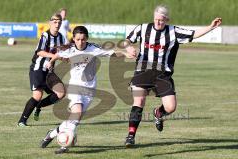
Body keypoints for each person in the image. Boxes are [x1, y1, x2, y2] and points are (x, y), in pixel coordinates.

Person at [124, 4, 222, 147]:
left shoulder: (173, 32)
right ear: (153, 17)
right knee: (139, 101)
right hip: (142, 72)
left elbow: (193, 34)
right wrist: (128, 47)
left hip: (163, 74)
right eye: (156, 19)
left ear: (167, 20)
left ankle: (158, 113)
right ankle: (131, 136)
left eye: (162, 20)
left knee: (170, 107)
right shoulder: (143, 28)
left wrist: (211, 27)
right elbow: (127, 40)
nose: (158, 22)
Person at [40, 26, 129, 154]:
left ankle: (52, 134)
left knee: (74, 119)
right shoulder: (70, 49)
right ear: (74, 39)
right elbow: (58, 54)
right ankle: (65, 145)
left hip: (89, 90)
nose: (80, 42)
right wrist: (50, 62)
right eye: (78, 39)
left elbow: (112, 53)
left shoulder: (94, 49)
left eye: (83, 39)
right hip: (74, 87)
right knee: (77, 112)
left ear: (86, 38)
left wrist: (125, 53)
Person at [17, 12, 66, 127]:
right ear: (50, 23)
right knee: (37, 95)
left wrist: (65, 58)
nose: (57, 24)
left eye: (59, 22)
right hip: (37, 69)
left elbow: (61, 53)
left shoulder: (61, 37)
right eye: (55, 22)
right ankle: (22, 120)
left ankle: (39, 106)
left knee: (61, 93)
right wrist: (52, 57)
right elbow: (39, 52)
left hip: (49, 71)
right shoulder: (45, 35)